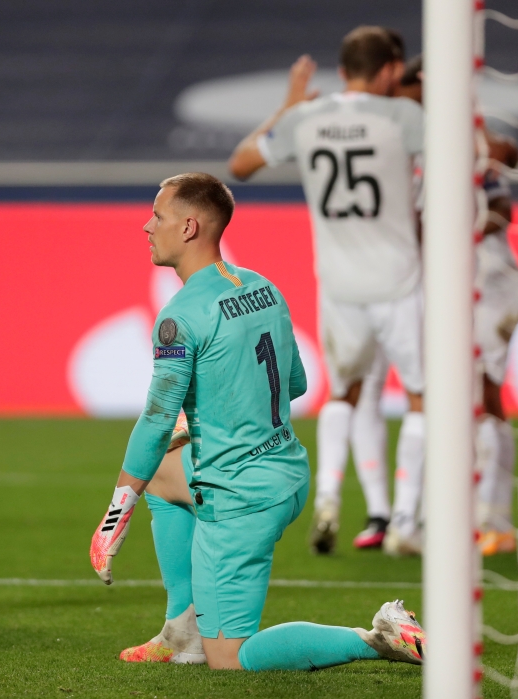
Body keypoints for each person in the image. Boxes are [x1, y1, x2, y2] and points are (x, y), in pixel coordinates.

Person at [89, 173, 425, 670]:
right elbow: (296, 383)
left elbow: (158, 419)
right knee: (162, 473)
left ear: (188, 227)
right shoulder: (262, 286)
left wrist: (114, 517)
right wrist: (217, 422)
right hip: (287, 472)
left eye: (157, 216)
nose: (146, 225)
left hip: (241, 498)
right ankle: (182, 632)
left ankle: (375, 637)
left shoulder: (179, 317)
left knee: (230, 658)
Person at [229, 26, 426, 556]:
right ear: (389, 71)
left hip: (338, 284)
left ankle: (330, 499)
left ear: (341, 72)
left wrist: (287, 107)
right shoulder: (404, 118)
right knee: (422, 396)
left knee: (344, 394)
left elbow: (240, 165)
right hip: (401, 279)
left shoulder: (306, 119)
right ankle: (407, 518)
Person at [394, 55, 518, 555]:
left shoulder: (464, 137)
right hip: (449, 286)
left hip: (489, 283)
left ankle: (497, 520)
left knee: (485, 394)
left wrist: (461, 234)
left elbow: (502, 203)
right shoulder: (416, 147)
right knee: (454, 398)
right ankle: (441, 515)